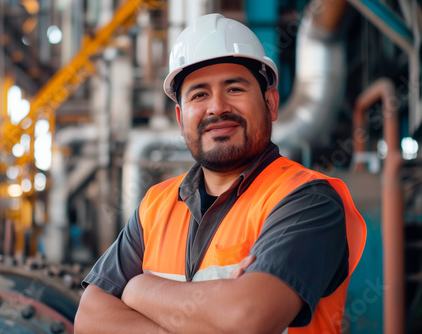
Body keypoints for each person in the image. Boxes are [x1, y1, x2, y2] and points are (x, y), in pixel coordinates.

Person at [75, 13, 366, 334]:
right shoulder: (155, 207)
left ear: (270, 103)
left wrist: (138, 289)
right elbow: (90, 318)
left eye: (234, 89)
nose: (216, 107)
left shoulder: (307, 200)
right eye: (199, 94)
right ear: (179, 117)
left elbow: (247, 317)